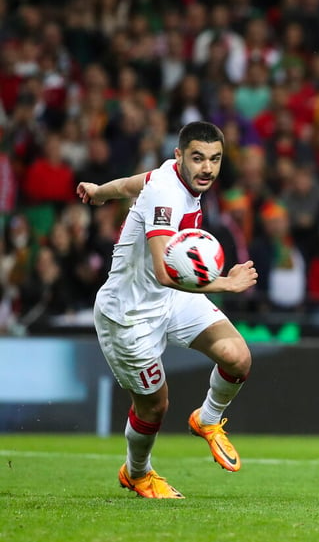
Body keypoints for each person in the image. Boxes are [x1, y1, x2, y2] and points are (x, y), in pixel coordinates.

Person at [76, 121, 259, 499]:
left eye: (214, 159)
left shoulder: (167, 173)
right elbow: (163, 271)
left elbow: (129, 184)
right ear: (180, 156)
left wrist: (98, 192)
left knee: (237, 358)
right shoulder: (166, 196)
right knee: (154, 407)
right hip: (129, 315)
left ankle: (206, 420)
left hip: (173, 298)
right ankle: (137, 472)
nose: (207, 168)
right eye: (198, 158)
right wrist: (226, 283)